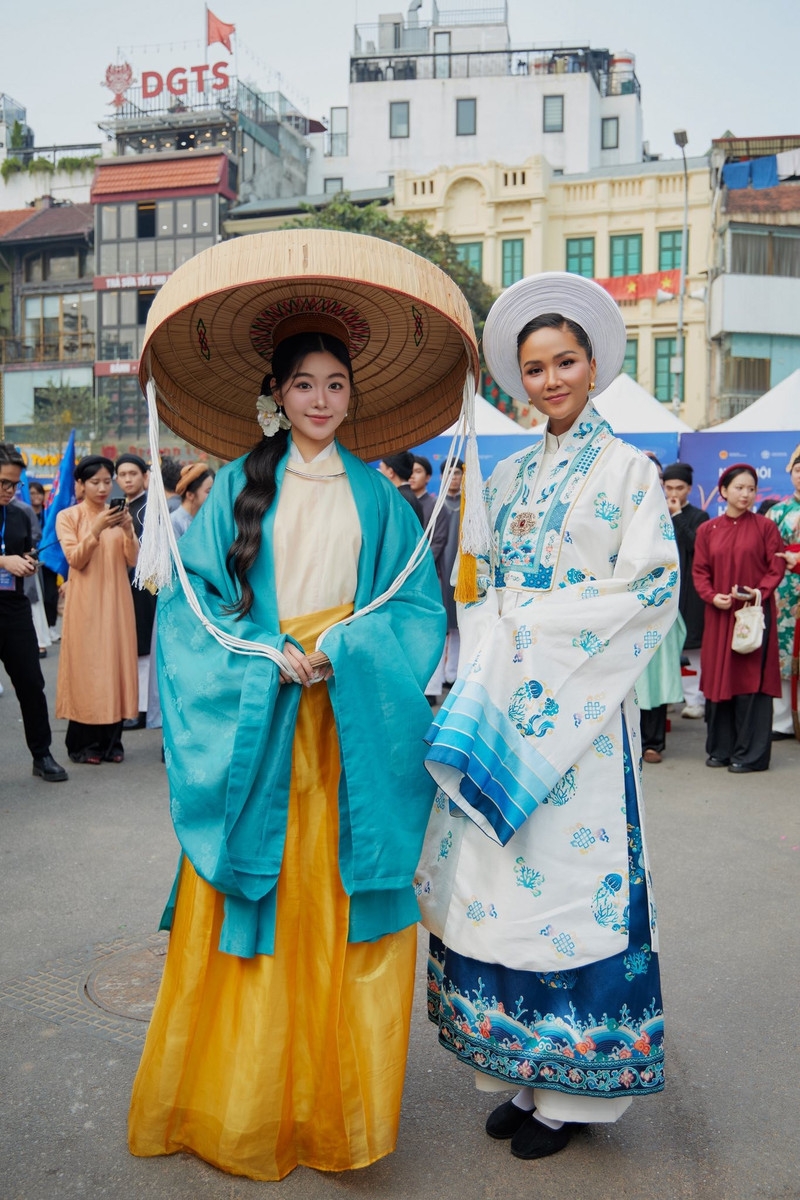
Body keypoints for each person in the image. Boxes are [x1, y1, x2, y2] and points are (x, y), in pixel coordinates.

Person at [128, 326, 446, 1180]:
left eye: (335, 385)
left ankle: (332, 1109)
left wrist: (348, 644)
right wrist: (266, 651)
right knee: (264, 905)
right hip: (260, 721)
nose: (319, 401)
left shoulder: (383, 501)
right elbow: (194, 609)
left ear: (353, 397)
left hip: (348, 723)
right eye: (303, 384)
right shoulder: (234, 484)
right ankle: (244, 1104)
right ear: (276, 393)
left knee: (337, 902)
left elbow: (417, 609)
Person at [415, 272, 679, 1160]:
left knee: (577, 892)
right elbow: (481, 585)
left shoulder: (630, 470)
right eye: (534, 367)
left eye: (565, 361)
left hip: (582, 719)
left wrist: (538, 627)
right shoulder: (512, 470)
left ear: (595, 363)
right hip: (508, 711)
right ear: (518, 379)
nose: (551, 379)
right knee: (501, 885)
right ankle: (524, 1075)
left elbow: (652, 589)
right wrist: (495, 636)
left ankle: (578, 1094)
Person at [693, 463, 785, 772]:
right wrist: (710, 595)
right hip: (719, 615)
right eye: (739, 488)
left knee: (750, 682)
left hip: (753, 615)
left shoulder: (765, 528)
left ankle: (750, 755)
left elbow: (776, 568)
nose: (745, 494)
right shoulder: (707, 530)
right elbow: (700, 570)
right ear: (723, 491)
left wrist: (757, 592)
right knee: (721, 678)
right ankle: (720, 749)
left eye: (751, 489)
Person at [55, 456, 139, 764]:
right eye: (95, 482)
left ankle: (112, 742)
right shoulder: (68, 516)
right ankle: (84, 744)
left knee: (115, 666)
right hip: (86, 603)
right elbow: (75, 559)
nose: (103, 488)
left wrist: (128, 531)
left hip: (117, 600)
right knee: (89, 669)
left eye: (107, 481)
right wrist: (96, 528)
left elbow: (133, 560)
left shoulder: (116, 515)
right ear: (80, 484)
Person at [0, 444, 68, 782]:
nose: (8, 490)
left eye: (13, 484)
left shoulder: (20, 512)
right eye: (2, 482)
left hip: (13, 607)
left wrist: (26, 561)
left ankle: (41, 755)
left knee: (30, 682)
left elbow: (24, 549)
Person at [662, 462, 709, 718]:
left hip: (690, 590)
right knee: (665, 646)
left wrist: (678, 515)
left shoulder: (699, 516)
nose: (673, 493)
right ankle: (667, 696)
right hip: (664, 590)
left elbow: (697, 547)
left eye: (679, 488)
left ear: (689, 488)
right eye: (669, 487)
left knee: (691, 647)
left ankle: (694, 700)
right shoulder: (655, 513)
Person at [116, 453, 156, 730]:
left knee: (142, 647)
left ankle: (142, 709)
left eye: (133, 473)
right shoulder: (119, 509)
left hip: (145, 586)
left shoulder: (150, 509)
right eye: (123, 474)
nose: (128, 479)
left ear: (145, 476)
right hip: (120, 585)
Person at [765, 446, 800, 737]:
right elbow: (767, 553)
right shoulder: (778, 511)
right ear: (791, 473)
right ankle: (782, 721)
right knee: (783, 653)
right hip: (785, 589)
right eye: (798, 470)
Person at [169, 462, 215, 539]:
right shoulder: (173, 522)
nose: (213, 495)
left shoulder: (206, 519)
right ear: (190, 495)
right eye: (208, 491)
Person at [378, 450, 425, 523]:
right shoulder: (409, 496)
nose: (378, 473)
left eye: (381, 469)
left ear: (390, 472)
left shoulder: (397, 498)